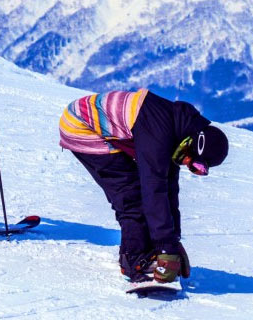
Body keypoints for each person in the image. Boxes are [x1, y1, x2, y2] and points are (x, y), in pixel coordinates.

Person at [59, 89, 229, 283]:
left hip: (88, 124)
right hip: (79, 127)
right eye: (196, 163)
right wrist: (167, 249)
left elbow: (169, 190)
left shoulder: (177, 133)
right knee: (131, 195)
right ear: (195, 142)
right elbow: (153, 190)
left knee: (143, 193)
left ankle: (146, 252)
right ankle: (134, 258)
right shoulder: (158, 133)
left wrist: (172, 241)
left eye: (197, 168)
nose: (188, 163)